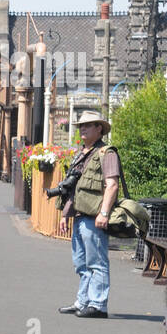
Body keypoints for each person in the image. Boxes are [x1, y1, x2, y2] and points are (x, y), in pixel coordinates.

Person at [56, 111, 122, 318]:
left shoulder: (107, 153)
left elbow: (112, 185)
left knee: (97, 262)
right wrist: (65, 215)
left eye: (88, 125)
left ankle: (98, 304)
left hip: (94, 217)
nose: (82, 129)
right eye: (80, 126)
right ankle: (83, 302)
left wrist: (103, 213)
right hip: (79, 215)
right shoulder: (82, 153)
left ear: (99, 129)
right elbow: (73, 189)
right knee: (81, 263)